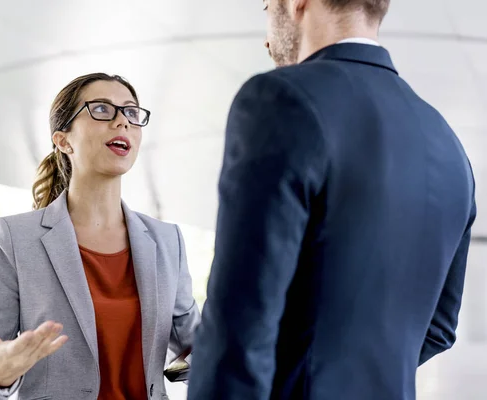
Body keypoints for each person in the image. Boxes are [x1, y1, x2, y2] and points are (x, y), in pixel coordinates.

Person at [187, 0, 477, 399]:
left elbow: (239, 325)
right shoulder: (448, 143)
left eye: (268, 5)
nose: (268, 24)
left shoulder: (280, 98)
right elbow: (439, 328)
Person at [0, 73, 200, 400]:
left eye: (131, 112)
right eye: (101, 109)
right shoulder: (15, 238)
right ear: (63, 140)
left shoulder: (167, 240)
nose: (122, 122)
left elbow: (196, 346)